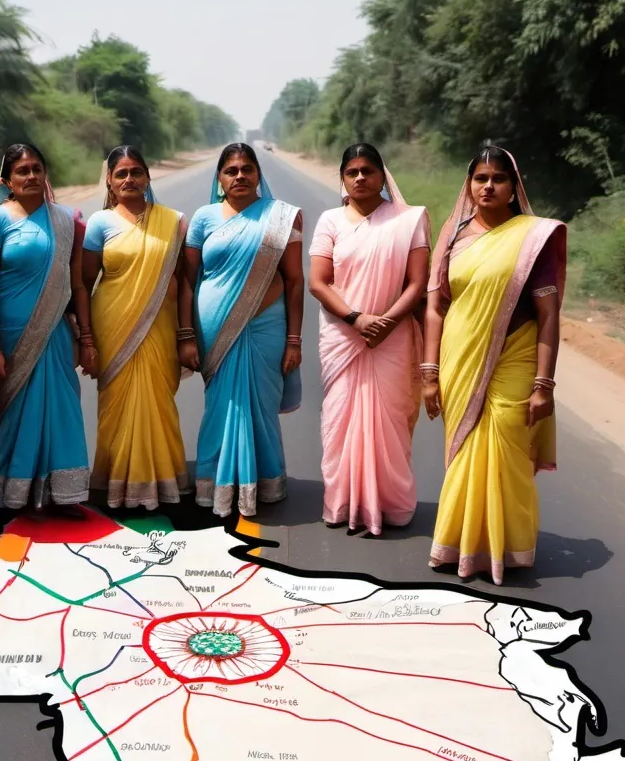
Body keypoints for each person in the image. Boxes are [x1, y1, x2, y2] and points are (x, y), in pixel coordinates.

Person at [423, 145, 566, 584]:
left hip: (516, 356)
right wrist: (429, 374)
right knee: (465, 449)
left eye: (497, 179)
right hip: (459, 359)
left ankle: (509, 547)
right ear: (469, 184)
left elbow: (548, 315)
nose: (487, 186)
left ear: (513, 186)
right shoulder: (452, 233)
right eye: (480, 178)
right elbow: (435, 307)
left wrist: (545, 384)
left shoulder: (531, 238)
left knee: (507, 447)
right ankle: (460, 545)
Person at [309, 142, 431, 535]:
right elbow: (318, 282)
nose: (360, 177)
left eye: (368, 170)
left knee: (390, 420)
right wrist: (357, 319)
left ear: (382, 175)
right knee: (341, 419)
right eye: (352, 172)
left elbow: (418, 283)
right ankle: (344, 502)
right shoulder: (329, 220)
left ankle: (391, 505)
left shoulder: (409, 219)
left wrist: (387, 322)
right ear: (343, 179)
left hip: (391, 338)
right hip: (344, 336)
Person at [178, 143, 304, 519]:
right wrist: (185, 335)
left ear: (258, 175)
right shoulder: (203, 219)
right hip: (215, 331)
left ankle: (262, 483)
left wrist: (294, 340)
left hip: (267, 328)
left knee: (261, 407)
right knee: (219, 408)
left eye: (247, 169)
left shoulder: (281, 217)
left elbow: (295, 281)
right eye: (231, 170)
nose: (240, 176)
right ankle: (216, 482)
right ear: (219, 179)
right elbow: (187, 281)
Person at [0, 143, 94, 515]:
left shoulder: (65, 220)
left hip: (55, 333)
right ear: (7, 180)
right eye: (23, 171)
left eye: (37, 169)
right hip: (11, 335)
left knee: (63, 408)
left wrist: (86, 337)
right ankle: (18, 491)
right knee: (17, 415)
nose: (31, 176)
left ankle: (65, 492)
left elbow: (77, 285)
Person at [81, 145, 188, 510]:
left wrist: (186, 334)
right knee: (116, 404)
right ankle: (117, 481)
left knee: (158, 400)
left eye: (136, 172)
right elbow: (83, 281)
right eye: (121, 174)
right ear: (109, 181)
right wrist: (86, 337)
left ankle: (161, 478)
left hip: (160, 325)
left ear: (147, 177)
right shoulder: (99, 223)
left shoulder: (173, 221)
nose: (129, 179)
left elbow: (185, 281)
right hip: (112, 324)